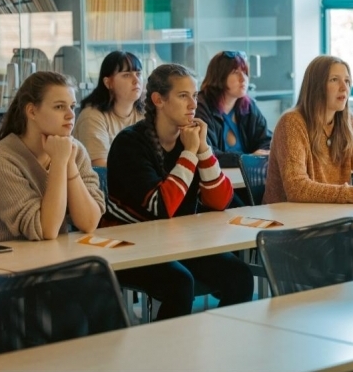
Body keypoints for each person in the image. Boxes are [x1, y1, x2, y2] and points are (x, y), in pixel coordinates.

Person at [104, 63, 253, 320]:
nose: (193, 104)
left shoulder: (190, 140)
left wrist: (203, 150)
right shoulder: (130, 144)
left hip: (178, 244)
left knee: (240, 276)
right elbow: (161, 207)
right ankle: (170, 353)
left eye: (194, 96)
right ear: (158, 100)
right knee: (180, 283)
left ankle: (224, 347)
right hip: (132, 247)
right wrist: (189, 153)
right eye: (183, 96)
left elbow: (220, 202)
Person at [0, 72, 104, 245]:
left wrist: (68, 162)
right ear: (32, 111)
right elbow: (45, 229)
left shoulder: (74, 150)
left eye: (72, 106)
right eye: (59, 107)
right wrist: (60, 162)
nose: (71, 115)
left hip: (48, 257)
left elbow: (89, 222)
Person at [263, 55, 353, 205]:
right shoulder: (291, 123)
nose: (344, 87)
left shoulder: (347, 121)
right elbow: (297, 188)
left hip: (330, 216)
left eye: (347, 81)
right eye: (334, 80)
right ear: (316, 86)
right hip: (286, 221)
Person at [196, 51, 272, 168]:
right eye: (236, 72)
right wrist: (248, 159)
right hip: (214, 179)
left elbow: (267, 141)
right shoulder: (201, 107)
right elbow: (206, 153)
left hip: (245, 177)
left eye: (245, 73)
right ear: (219, 76)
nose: (243, 79)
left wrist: (255, 157)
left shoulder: (248, 105)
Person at [73, 51, 145, 166]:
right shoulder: (92, 116)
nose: (136, 80)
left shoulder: (146, 113)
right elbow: (100, 166)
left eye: (138, 74)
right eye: (126, 75)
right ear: (108, 83)